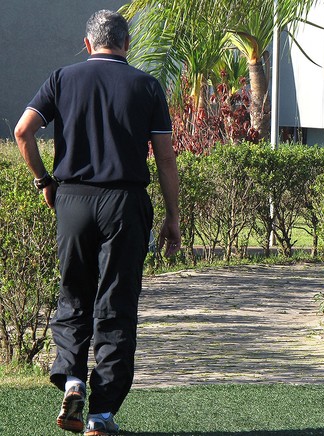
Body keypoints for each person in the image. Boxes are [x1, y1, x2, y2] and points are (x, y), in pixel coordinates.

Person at [14, 10, 181, 436]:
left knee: (73, 296)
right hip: (125, 203)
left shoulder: (62, 78)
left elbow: (22, 132)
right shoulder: (147, 85)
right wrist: (173, 217)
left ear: (88, 45)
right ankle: (101, 415)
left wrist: (43, 181)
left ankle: (72, 380)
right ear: (126, 44)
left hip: (72, 200)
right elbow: (164, 157)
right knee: (116, 305)